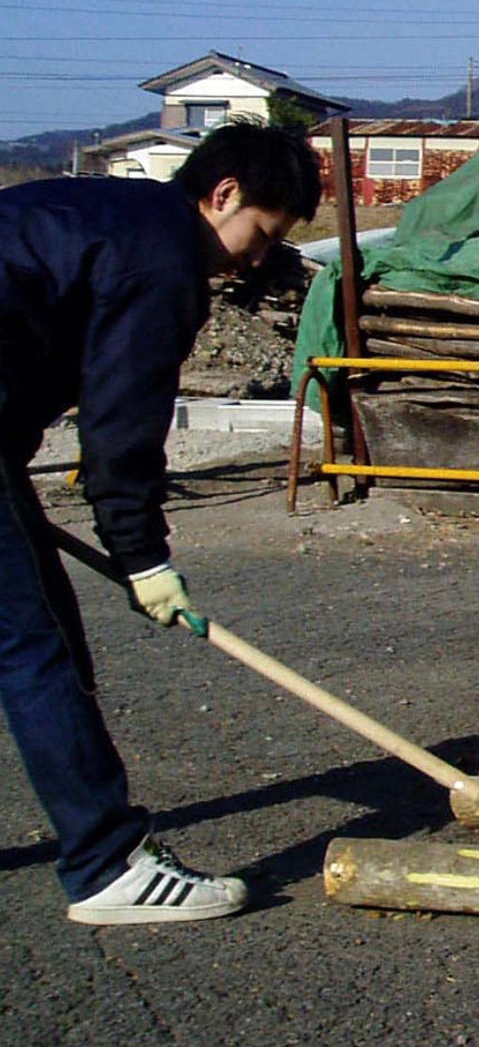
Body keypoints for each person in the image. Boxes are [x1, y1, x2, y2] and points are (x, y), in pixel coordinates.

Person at [0, 123, 320, 925]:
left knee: (33, 634)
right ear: (223, 195)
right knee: (34, 649)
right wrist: (143, 559)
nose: (254, 259)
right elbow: (121, 426)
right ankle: (108, 866)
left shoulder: (105, 214)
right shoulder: (161, 256)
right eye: (261, 234)